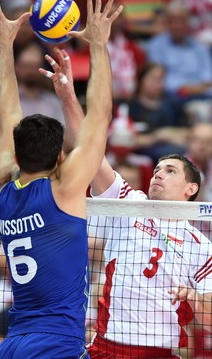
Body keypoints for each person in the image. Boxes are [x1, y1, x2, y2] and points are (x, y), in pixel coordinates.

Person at [0, 0, 122, 358]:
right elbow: (99, 118)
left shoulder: (3, 188)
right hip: (56, 344)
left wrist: (3, 49)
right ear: (60, 158)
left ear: (16, 155)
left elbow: (8, 115)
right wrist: (98, 44)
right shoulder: (66, 189)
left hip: (14, 342)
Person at [48, 24, 212, 359]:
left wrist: (195, 298)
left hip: (161, 352)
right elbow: (90, 150)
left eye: (170, 171)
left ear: (191, 189)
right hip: (107, 347)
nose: (158, 174)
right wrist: (66, 96)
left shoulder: (201, 246)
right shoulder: (129, 203)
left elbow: (209, 321)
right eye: (156, 169)